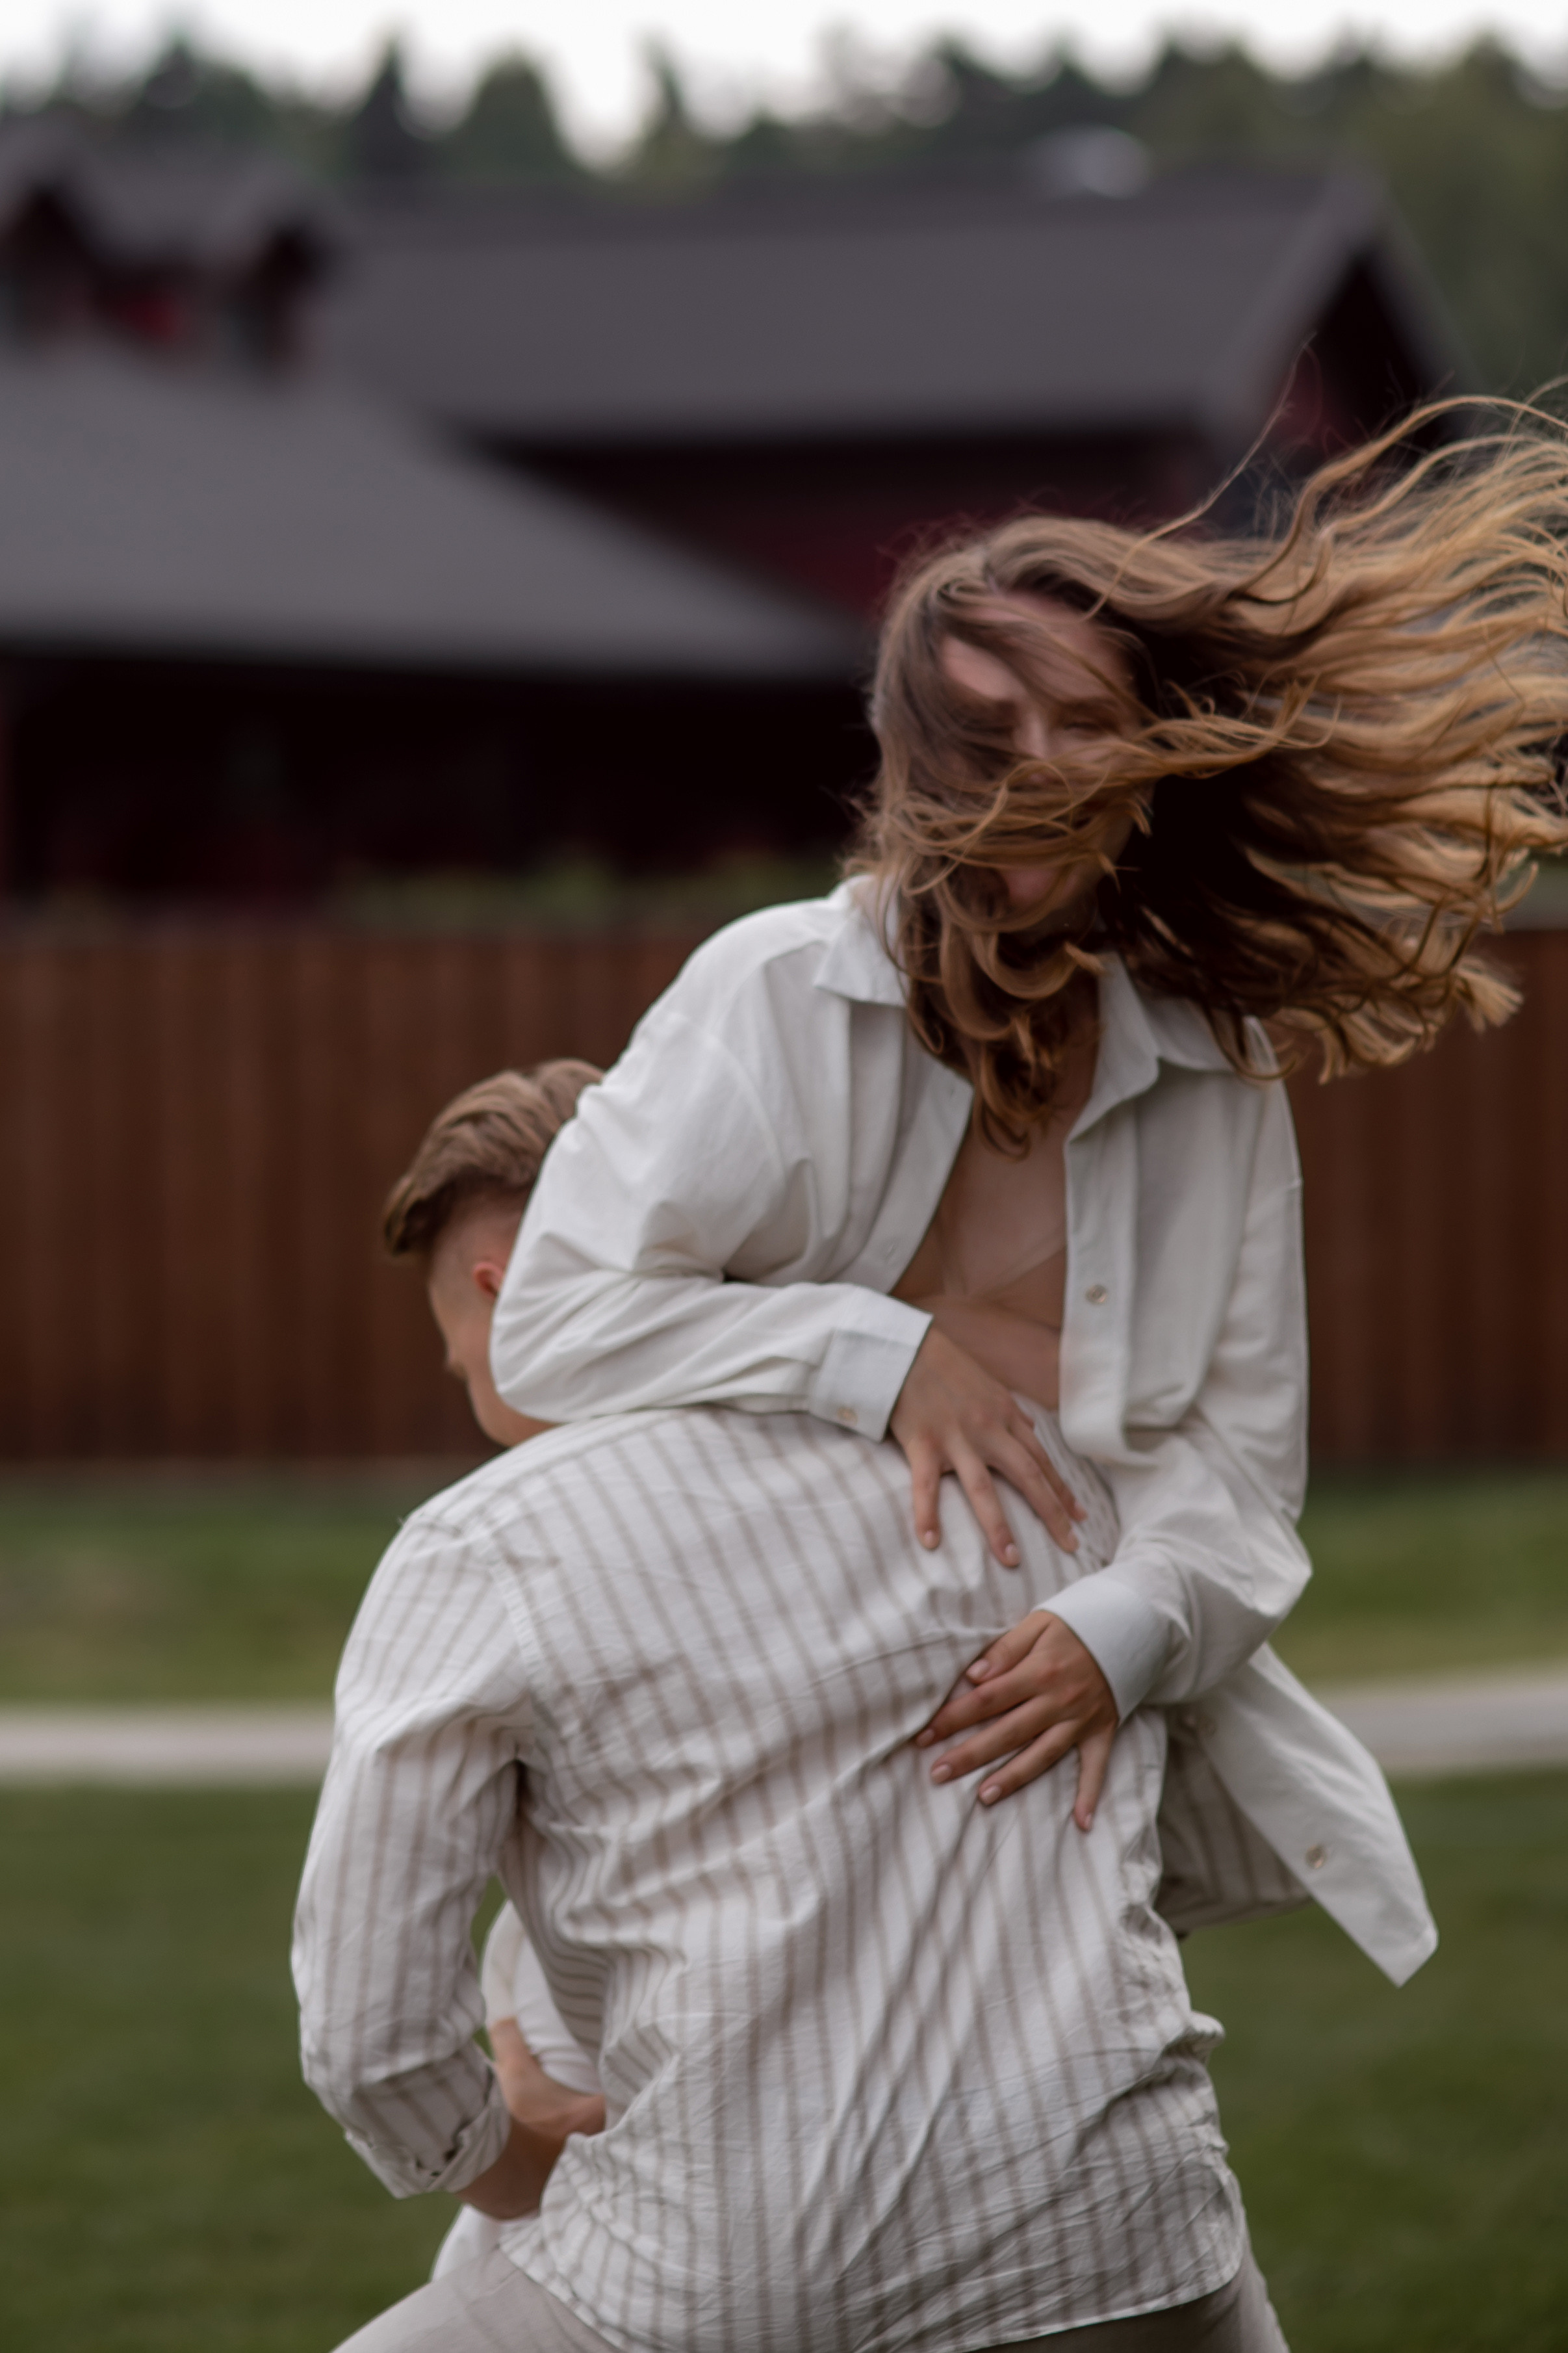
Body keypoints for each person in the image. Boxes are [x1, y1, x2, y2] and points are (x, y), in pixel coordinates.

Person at [489, 404, 1568, 1907]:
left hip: (1036, 1784)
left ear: (1150, 753)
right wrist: (876, 1353)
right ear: (912, 761)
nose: (1044, 770)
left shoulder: (1214, 1064)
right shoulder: (775, 991)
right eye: (991, 737)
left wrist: (1116, 1634)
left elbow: (1241, 1481)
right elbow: (550, 1331)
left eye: (1083, 724)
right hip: (724, 1763)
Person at [294, 1058, 1316, 2350]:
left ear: (500, 1291)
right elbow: (1210, 1798)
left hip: (742, 2282)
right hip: (1138, 2240)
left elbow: (369, 2039)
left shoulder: (480, 1546)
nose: (482, 1412)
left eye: (460, 1368)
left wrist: (502, 2163)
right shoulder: (1031, 1453)